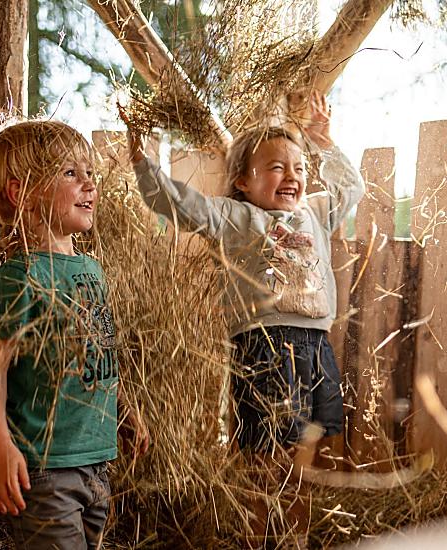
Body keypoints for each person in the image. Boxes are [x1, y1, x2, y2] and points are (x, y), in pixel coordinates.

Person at [125, 90, 364, 548]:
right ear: (243, 181)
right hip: (264, 349)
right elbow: (178, 203)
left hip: (314, 348)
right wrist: (142, 162)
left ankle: (294, 539)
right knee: (263, 459)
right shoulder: (236, 217)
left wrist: (323, 141)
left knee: (303, 459)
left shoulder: (315, 212)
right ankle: (255, 537)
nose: (292, 176)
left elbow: (351, 187)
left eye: (299, 168)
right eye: (276, 167)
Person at [0, 118, 150, 550]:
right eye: (71, 173)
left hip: (97, 462)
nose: (89, 184)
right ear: (22, 193)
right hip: (45, 468)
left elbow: (99, 350)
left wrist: (124, 410)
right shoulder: (20, 278)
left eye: (90, 172)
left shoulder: (91, 270)